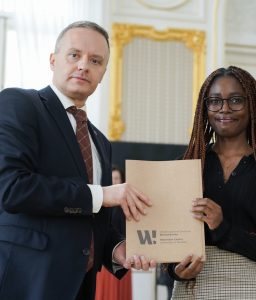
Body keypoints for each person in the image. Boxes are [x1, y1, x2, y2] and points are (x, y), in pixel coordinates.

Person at [0, 21, 156, 300]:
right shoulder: (19, 104)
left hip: (81, 287)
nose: (84, 65)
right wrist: (100, 194)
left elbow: (95, 218)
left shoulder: (100, 142)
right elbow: (11, 188)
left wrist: (116, 249)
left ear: (102, 74)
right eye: (75, 55)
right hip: (26, 282)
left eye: (95, 61)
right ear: (53, 60)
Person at [168, 66, 256, 299]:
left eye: (236, 100)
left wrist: (224, 229)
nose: (224, 109)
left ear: (253, 106)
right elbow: (169, 241)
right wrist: (175, 270)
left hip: (250, 287)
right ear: (204, 107)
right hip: (192, 288)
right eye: (215, 101)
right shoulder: (187, 165)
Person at [95, 165, 132, 300]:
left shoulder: (128, 207)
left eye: (117, 178)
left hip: (123, 258)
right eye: (112, 179)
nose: (115, 182)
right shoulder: (100, 207)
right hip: (107, 261)